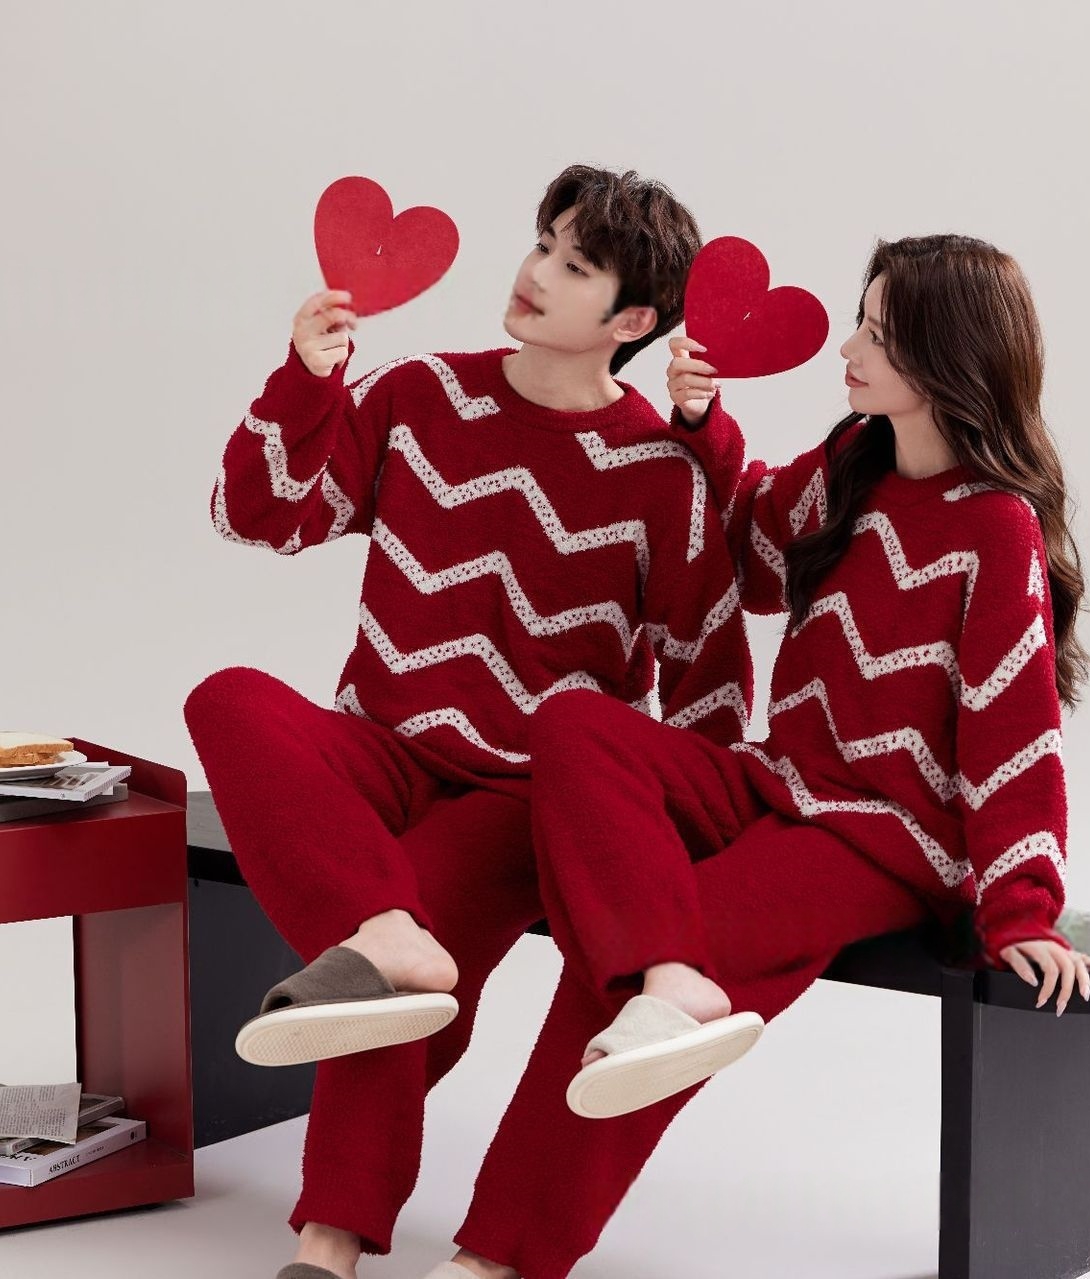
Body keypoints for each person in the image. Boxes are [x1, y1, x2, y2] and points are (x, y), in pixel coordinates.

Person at [429, 233, 1090, 1279]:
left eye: (878, 335)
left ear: (947, 356)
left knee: (624, 975)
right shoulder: (853, 465)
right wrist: (701, 423)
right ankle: (667, 973)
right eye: (860, 324)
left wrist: (1020, 908)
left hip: (881, 835)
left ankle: (503, 1255)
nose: (849, 350)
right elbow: (748, 545)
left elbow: (1013, 728)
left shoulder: (996, 528)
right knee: (576, 724)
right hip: (777, 781)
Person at [182, 164, 751, 1279]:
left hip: (521, 794)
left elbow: (710, 687)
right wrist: (305, 382)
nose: (535, 273)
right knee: (228, 699)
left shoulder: (659, 472)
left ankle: (327, 1244)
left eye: (574, 266)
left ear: (633, 322)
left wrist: (660, 841)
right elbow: (258, 517)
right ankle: (380, 930)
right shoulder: (421, 395)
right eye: (543, 244)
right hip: (381, 746)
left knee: (406, 947)